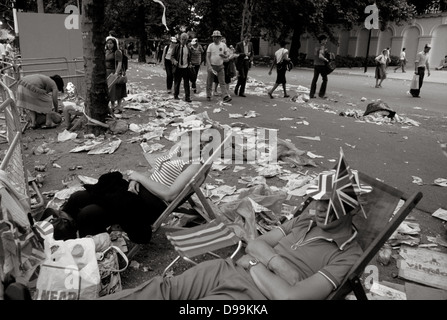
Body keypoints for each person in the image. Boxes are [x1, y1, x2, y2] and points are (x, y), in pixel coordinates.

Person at [101, 167, 367, 300]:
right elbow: (255, 243)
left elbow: (290, 298)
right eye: (318, 200)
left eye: (329, 204)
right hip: (228, 268)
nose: (319, 209)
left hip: (253, 296)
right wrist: (273, 263)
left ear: (351, 209)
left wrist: (253, 262)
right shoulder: (306, 219)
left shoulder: (348, 254)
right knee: (161, 290)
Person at [59, 120, 226, 244]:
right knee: (77, 197)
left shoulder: (195, 164)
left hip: (150, 204)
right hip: (139, 191)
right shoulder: (180, 149)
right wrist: (135, 180)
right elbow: (155, 171)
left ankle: (87, 251)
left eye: (206, 139)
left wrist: (140, 178)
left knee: (89, 213)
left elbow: (170, 195)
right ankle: (64, 236)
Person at [206, 30, 232, 103]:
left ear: (219, 38)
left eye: (216, 37)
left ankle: (225, 96)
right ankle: (208, 95)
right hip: (212, 66)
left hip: (220, 66)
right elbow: (207, 56)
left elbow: (227, 55)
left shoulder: (223, 45)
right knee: (209, 82)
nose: (214, 39)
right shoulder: (210, 45)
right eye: (213, 37)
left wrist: (224, 56)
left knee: (222, 82)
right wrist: (209, 66)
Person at [105, 37, 127, 114]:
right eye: (108, 43)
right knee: (110, 91)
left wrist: (116, 73)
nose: (109, 45)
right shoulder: (106, 52)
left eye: (111, 43)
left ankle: (119, 106)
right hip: (107, 73)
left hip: (115, 72)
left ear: (114, 44)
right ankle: (112, 106)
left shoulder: (117, 52)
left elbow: (119, 64)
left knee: (118, 90)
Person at [171, 33, 192, 103]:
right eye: (182, 39)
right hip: (178, 67)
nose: (184, 41)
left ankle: (187, 97)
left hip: (185, 67)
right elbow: (172, 56)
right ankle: (176, 95)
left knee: (186, 83)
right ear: (180, 39)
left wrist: (189, 64)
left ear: (187, 40)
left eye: (185, 39)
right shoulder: (176, 47)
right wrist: (174, 61)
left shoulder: (188, 48)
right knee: (177, 82)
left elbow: (189, 57)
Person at [310, 34, 330, 99]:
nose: (326, 41)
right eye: (325, 39)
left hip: (315, 64)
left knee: (314, 79)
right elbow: (320, 56)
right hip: (321, 65)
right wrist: (326, 59)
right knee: (325, 79)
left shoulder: (316, 46)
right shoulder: (322, 46)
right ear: (323, 40)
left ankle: (311, 94)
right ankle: (321, 94)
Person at [234, 33, 254, 97]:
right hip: (240, 62)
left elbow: (252, 52)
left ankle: (241, 92)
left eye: (249, 38)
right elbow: (236, 53)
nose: (248, 40)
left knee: (245, 77)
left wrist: (251, 59)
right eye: (247, 38)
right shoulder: (239, 44)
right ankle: (237, 86)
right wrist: (244, 54)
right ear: (244, 38)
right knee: (242, 76)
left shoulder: (250, 44)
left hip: (247, 62)